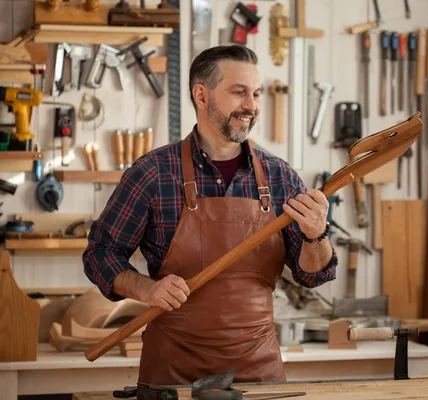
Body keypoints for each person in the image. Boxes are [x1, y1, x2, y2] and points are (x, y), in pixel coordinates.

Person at [82, 45, 338, 385]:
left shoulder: (281, 178)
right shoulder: (154, 173)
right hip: (173, 372)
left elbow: (312, 276)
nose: (252, 106)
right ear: (201, 96)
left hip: (256, 371)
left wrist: (316, 235)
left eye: (256, 94)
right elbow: (100, 253)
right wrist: (147, 289)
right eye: (239, 92)